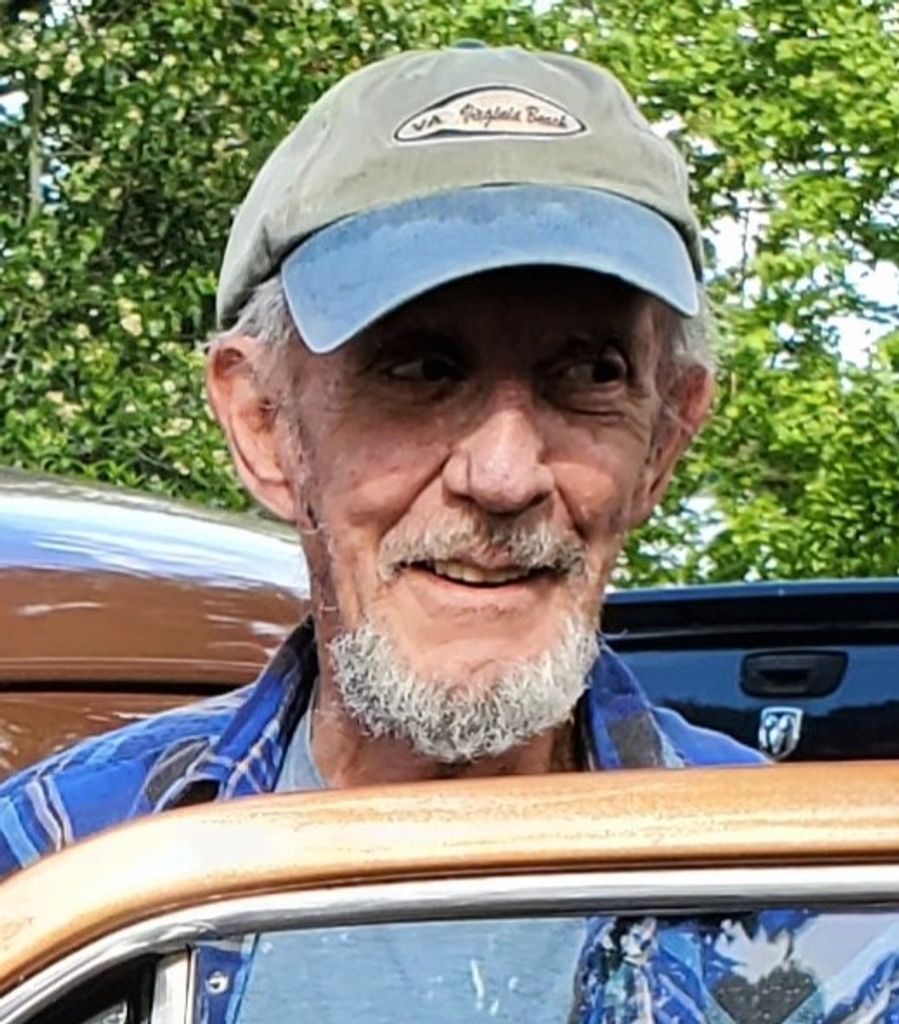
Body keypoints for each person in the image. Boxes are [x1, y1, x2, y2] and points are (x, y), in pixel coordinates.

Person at [0, 43, 788, 1021]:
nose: (502, 475)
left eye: (588, 374)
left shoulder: (812, 905)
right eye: (418, 370)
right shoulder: (60, 870)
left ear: (663, 440)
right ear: (263, 424)